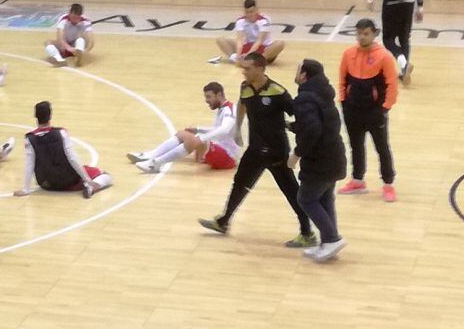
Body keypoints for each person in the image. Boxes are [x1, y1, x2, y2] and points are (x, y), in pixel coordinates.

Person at [198, 53, 317, 249]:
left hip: (276, 152)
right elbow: (242, 103)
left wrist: (295, 129)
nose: (243, 71)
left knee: (290, 191)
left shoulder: (277, 91)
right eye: (243, 68)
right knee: (240, 184)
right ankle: (223, 221)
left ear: (261, 69)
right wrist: (237, 127)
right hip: (255, 149)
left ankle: (307, 232)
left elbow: (300, 113)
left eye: (247, 68)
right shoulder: (245, 87)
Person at [289, 59, 348, 262]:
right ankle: (328, 242)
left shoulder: (305, 98)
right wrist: (295, 126)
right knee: (324, 199)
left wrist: (296, 153)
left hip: (320, 159)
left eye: (298, 70)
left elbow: (313, 129)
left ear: (304, 75)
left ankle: (331, 239)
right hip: (334, 155)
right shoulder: (324, 93)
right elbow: (321, 123)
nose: (296, 73)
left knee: (306, 199)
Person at [337, 18, 399, 202]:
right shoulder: (348, 54)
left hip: (375, 111)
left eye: (366, 33)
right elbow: (342, 80)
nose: (362, 37)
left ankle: (388, 184)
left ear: (374, 34)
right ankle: (358, 181)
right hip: (352, 109)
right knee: (356, 146)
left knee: (382, 148)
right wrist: (343, 102)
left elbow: (392, 85)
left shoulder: (384, 57)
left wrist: (385, 108)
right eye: (359, 33)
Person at [127, 82, 239, 174]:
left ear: (219, 95)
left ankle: (156, 164)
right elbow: (219, 130)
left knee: (195, 140)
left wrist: (202, 137)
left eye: (209, 97)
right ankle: (150, 155)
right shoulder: (223, 108)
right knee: (182, 134)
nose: (206, 100)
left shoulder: (229, 109)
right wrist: (198, 129)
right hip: (219, 150)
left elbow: (224, 130)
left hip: (228, 157)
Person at [14, 100, 113, 199]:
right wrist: (87, 180)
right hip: (69, 182)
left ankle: (88, 185)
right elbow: (73, 158)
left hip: (47, 184)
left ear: (36, 117)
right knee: (105, 176)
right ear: (50, 116)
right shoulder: (61, 133)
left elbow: (29, 164)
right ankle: (92, 187)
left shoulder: (29, 138)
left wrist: (26, 189)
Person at [210, 0, 285, 64]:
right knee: (221, 40)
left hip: (264, 49)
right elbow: (239, 40)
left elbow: (259, 41)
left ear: (256, 10)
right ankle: (235, 58)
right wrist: (238, 55)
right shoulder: (240, 21)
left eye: (251, 12)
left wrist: (248, 55)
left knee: (280, 44)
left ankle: (257, 61)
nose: (249, 15)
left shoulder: (264, 21)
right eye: (247, 12)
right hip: (248, 46)